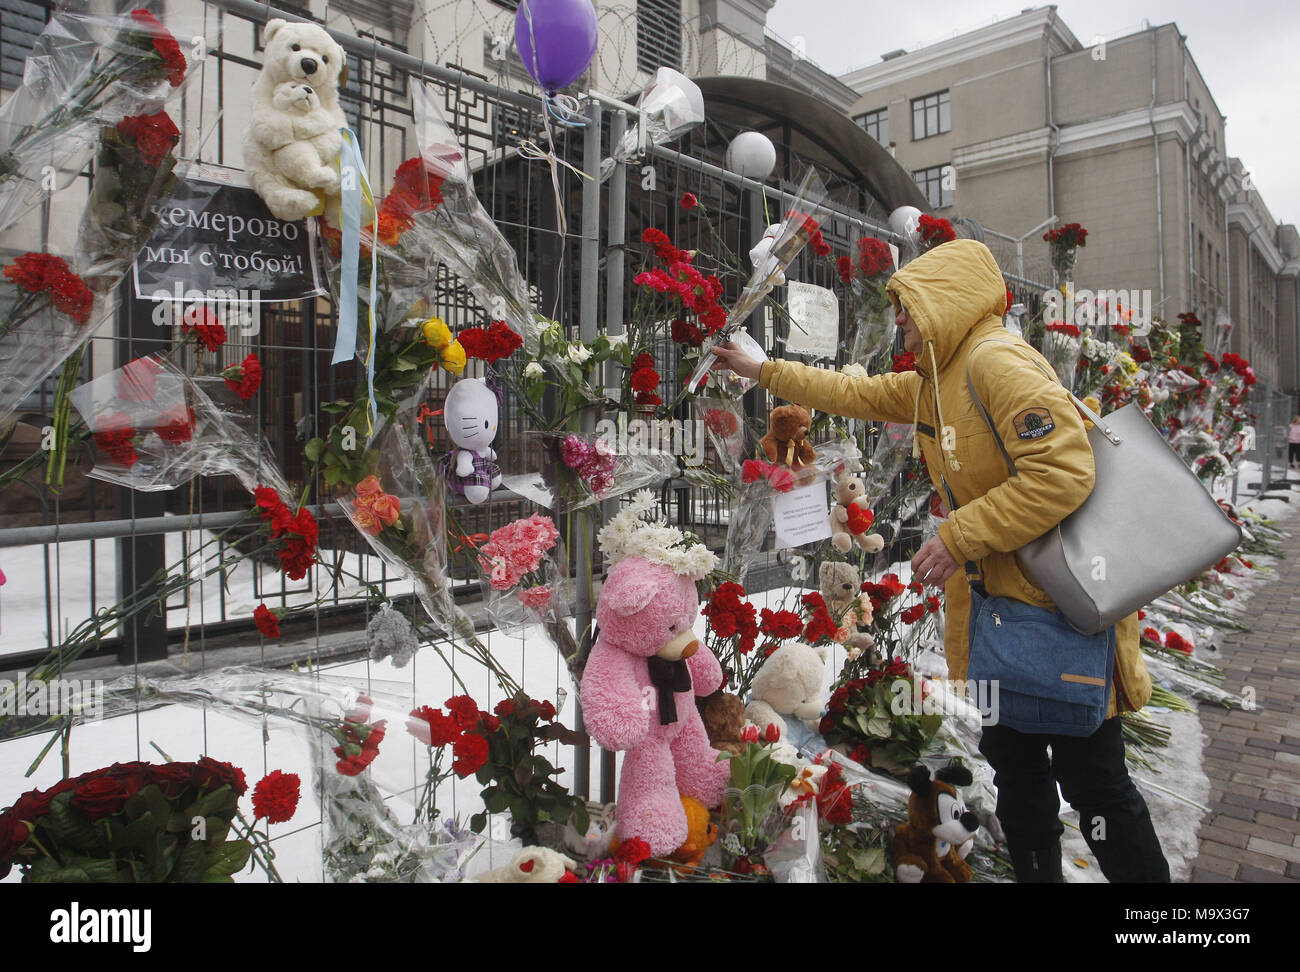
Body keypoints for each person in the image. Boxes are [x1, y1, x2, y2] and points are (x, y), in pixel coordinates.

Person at [710, 238, 1170, 883]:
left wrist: (958, 538)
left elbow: (1063, 474)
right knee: (1017, 769)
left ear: (945, 302)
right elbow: (856, 392)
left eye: (907, 306)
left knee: (1096, 787)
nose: (898, 319)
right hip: (1001, 615)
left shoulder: (997, 363)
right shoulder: (938, 380)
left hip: (1058, 610)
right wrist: (765, 372)